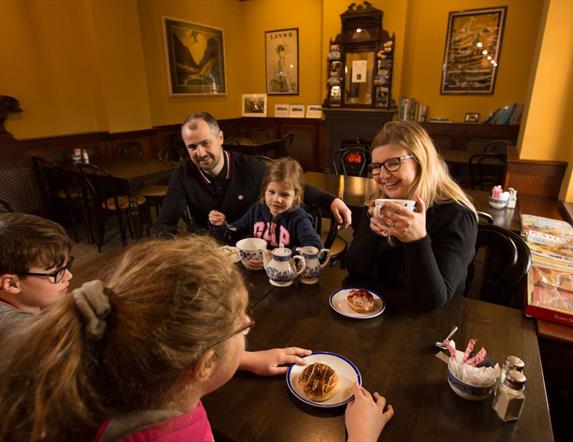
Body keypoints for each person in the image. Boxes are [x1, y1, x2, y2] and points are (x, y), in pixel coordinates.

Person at [0, 236, 393, 441]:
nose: (249, 321)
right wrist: (361, 436)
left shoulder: (108, 366)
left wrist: (241, 358)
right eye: (241, 324)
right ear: (201, 364)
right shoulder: (176, 434)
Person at [343, 121, 477, 310]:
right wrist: (376, 234)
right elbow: (354, 269)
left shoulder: (457, 216)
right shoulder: (380, 202)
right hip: (376, 312)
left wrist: (417, 241)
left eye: (392, 163)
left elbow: (432, 301)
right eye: (377, 166)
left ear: (421, 161)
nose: (382, 175)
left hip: (429, 325)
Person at [151, 112, 351, 237]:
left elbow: (290, 185)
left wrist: (331, 200)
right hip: (208, 248)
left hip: (249, 243)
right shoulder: (182, 175)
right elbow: (165, 224)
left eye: (205, 143)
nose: (200, 153)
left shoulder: (249, 167)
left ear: (220, 137)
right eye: (192, 147)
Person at [209, 157, 322, 251]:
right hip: (253, 271)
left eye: (285, 195)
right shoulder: (256, 210)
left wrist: (280, 256)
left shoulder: (299, 218)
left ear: (296, 196)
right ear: (265, 190)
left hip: (284, 273)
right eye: (272, 192)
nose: (276, 199)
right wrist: (221, 225)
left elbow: (314, 247)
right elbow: (232, 234)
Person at [0, 213, 73, 337]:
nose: (69, 276)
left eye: (66, 266)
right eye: (56, 272)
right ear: (11, 284)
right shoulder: (23, 333)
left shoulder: (30, 301)